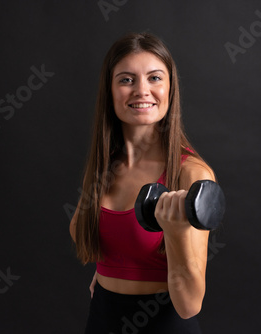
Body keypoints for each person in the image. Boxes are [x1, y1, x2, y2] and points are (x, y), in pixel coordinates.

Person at [69, 32, 217, 334]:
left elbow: (189, 305)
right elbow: (83, 230)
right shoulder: (104, 164)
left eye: (154, 78)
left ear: (170, 88)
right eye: (126, 80)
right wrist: (117, 272)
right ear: (109, 91)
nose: (142, 90)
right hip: (102, 318)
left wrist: (174, 232)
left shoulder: (192, 174)